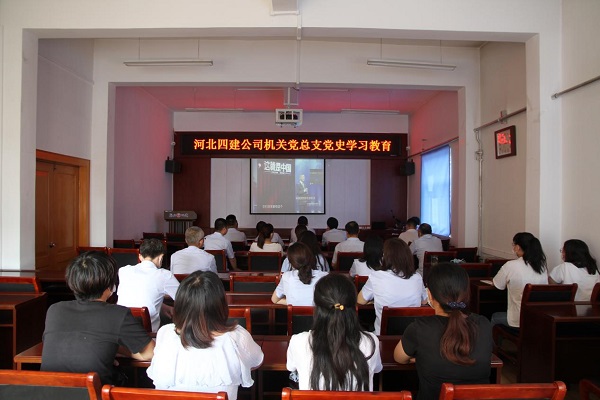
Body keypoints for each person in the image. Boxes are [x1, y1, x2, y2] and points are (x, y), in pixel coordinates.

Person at [42, 251, 154, 385]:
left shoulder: (55, 310)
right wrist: (114, 348)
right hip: (92, 393)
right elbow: (150, 353)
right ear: (110, 285)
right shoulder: (118, 314)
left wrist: (106, 348)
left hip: (47, 391)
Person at [147, 271, 263, 400]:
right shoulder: (235, 337)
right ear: (221, 305)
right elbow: (256, 359)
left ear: (179, 304)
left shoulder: (165, 334)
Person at [394, 263, 493, 400]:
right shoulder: (484, 324)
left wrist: (419, 358)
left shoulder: (419, 328)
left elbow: (399, 358)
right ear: (466, 293)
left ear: (429, 295)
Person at [287, 273, 382, 391]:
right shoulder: (371, 342)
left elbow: (291, 367)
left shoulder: (298, 342)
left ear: (316, 308)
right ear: (354, 307)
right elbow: (377, 369)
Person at [357, 239, 427, 335]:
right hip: (410, 337)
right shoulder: (417, 277)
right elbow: (424, 301)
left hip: (382, 337)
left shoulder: (376, 276)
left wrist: (374, 300)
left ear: (385, 257)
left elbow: (360, 301)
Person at [117, 238, 180, 332]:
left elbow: (139, 296)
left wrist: (163, 307)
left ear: (140, 257)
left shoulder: (123, 271)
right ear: (161, 257)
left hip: (120, 328)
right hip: (147, 334)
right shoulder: (164, 275)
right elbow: (184, 298)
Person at [491, 232, 548, 328]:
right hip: (538, 318)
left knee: (494, 317)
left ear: (517, 247)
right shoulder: (542, 267)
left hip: (518, 319)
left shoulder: (511, 265)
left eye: (513, 245)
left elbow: (498, 284)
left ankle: (491, 339)